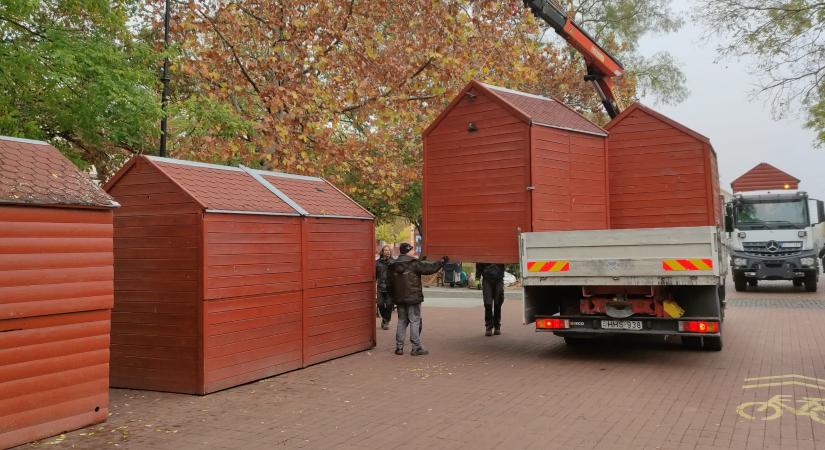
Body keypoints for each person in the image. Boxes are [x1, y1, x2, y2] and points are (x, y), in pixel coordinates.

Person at [388, 242, 447, 356]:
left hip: (400, 298)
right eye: (412, 250)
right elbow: (429, 268)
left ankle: (399, 347)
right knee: (414, 321)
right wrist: (442, 262)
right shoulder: (413, 263)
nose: (413, 252)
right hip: (413, 297)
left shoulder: (393, 265)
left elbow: (389, 283)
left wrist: (393, 297)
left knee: (402, 321)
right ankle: (416, 347)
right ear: (408, 251)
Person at [475, 262, 505, 336]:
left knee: (498, 303)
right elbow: (479, 263)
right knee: (488, 304)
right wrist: (477, 278)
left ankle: (497, 327)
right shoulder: (483, 251)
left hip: (499, 280)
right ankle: (488, 327)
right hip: (487, 280)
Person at [375, 245, 394, 330]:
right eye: (386, 250)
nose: (387, 252)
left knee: (390, 305)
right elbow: (374, 275)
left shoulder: (394, 262)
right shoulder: (377, 262)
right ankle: (385, 319)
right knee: (380, 304)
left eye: (389, 250)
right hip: (380, 288)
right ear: (382, 252)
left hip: (390, 288)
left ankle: (386, 322)